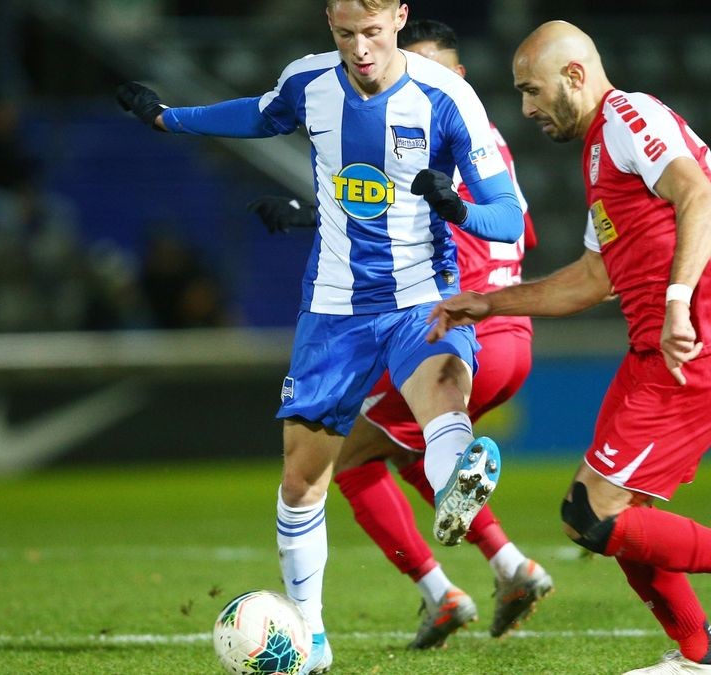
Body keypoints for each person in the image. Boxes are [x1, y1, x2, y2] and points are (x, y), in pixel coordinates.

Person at [116, 2, 524, 672]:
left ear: (399, 14)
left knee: (441, 396)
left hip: (421, 295)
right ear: (328, 25)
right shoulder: (310, 82)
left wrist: (460, 209)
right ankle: (311, 637)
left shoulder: (446, 97)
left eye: (370, 32)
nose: (359, 49)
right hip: (333, 310)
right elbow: (256, 113)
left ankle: (458, 478)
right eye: (343, 34)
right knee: (302, 478)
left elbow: (506, 216)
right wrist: (168, 117)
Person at [429, 21, 711, 675]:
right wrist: (489, 300)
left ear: (575, 76)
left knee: (591, 514)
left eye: (532, 90)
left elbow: (697, 192)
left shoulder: (628, 116)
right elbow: (591, 279)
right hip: (659, 354)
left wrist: (676, 301)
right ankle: (702, 656)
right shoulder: (600, 156)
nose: (525, 108)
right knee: (614, 515)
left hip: (695, 347)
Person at [248, 18, 553, 651]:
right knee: (421, 453)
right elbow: (518, 233)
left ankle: (444, 594)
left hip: (455, 325)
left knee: (351, 460)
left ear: (459, 79)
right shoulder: (489, 144)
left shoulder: (437, 132)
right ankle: (510, 567)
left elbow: (406, 229)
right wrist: (312, 215)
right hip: (512, 334)